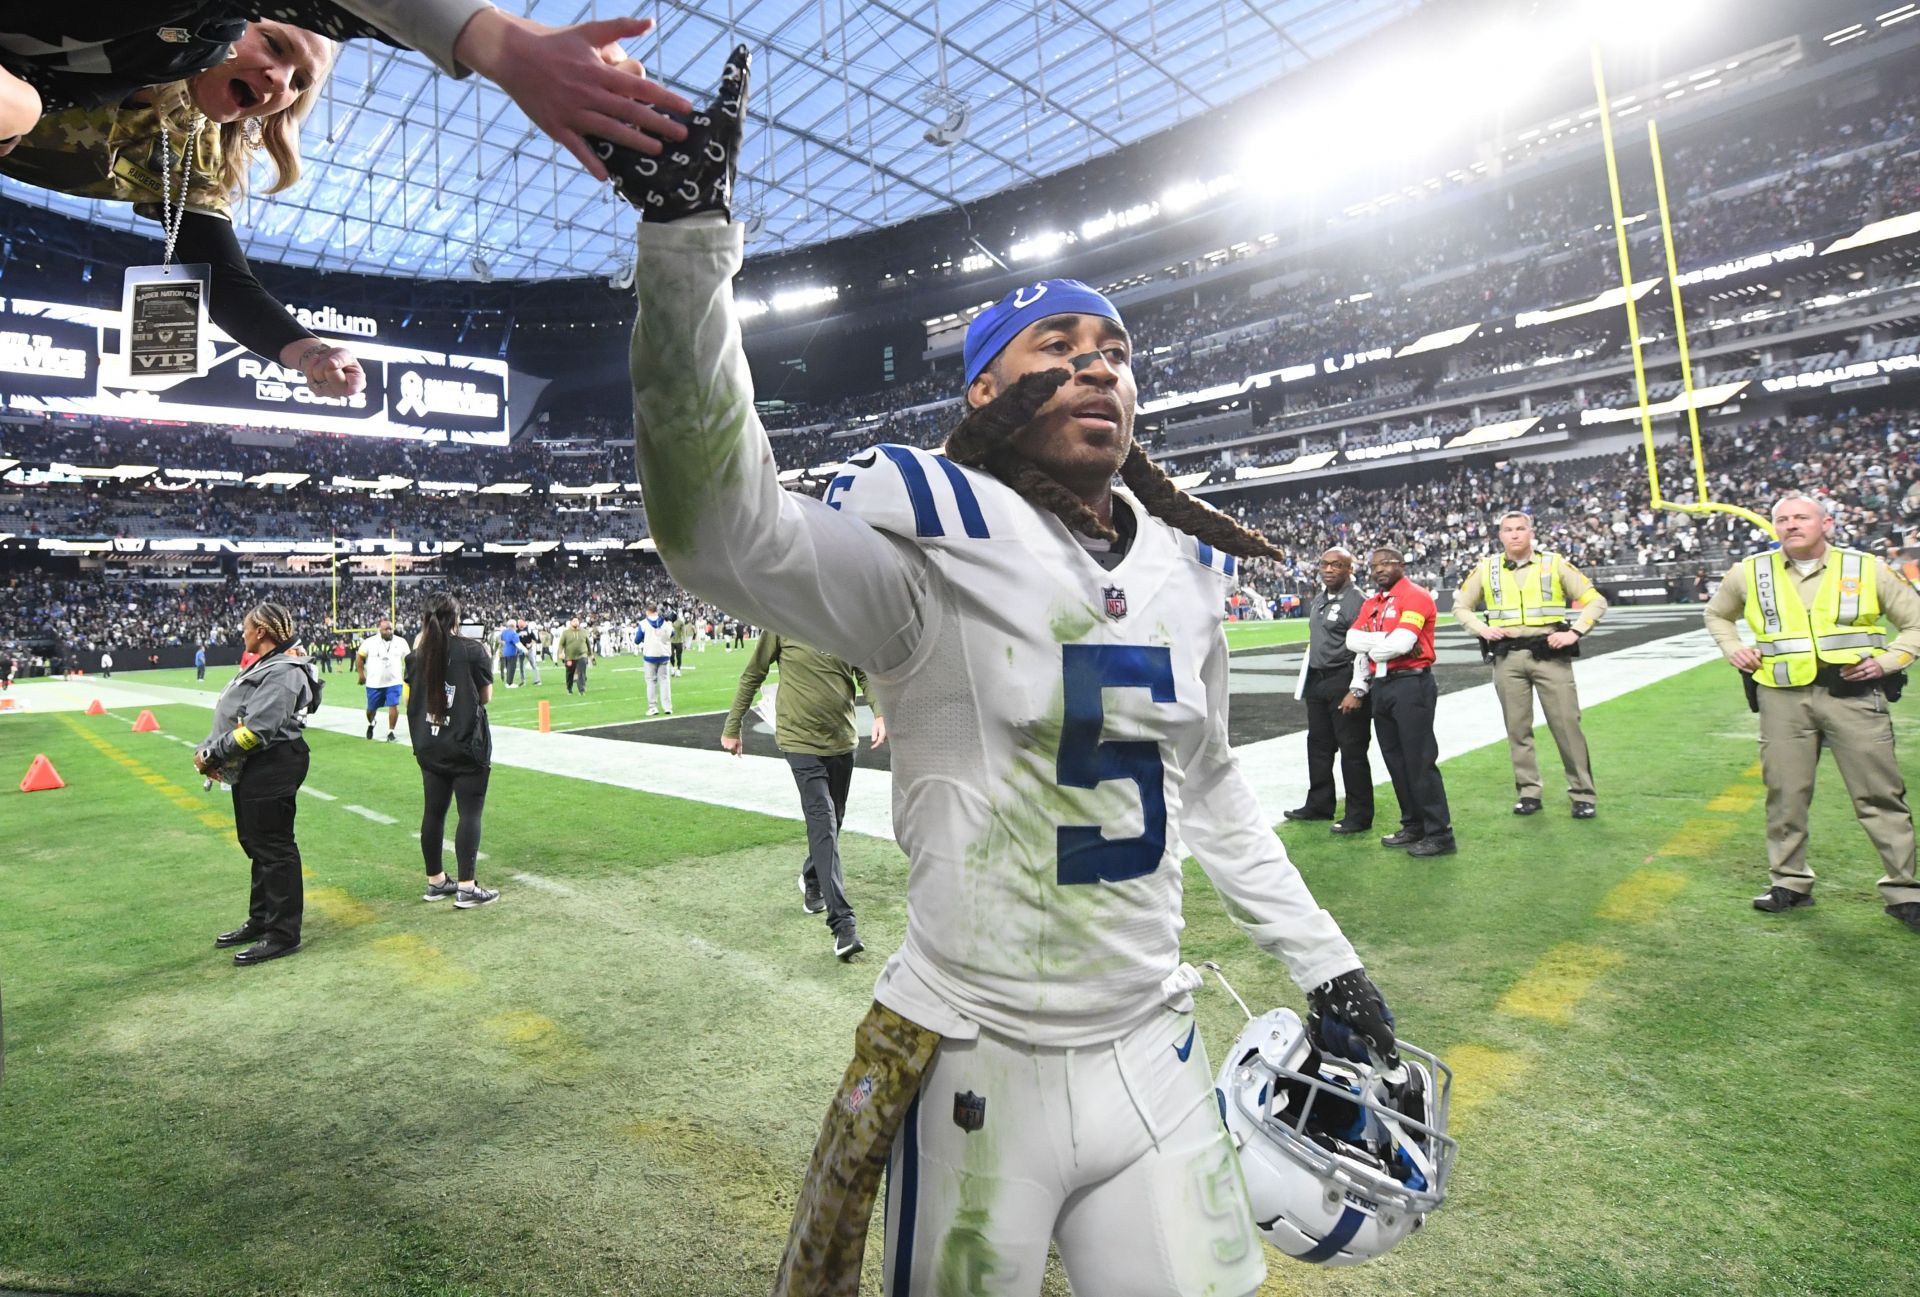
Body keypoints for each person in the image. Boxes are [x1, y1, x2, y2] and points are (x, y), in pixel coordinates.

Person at [620, 49, 1401, 1296]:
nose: (1101, 366)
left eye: (1118, 352)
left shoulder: (1183, 570)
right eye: (1061, 346)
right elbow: (716, 527)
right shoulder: (931, 544)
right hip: (978, 1056)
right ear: (983, 387)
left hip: (1154, 1044)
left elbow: (1214, 795)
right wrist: (686, 249)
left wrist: (1328, 961)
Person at [0, 5, 694, 181]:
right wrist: (504, 43)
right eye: (274, 46)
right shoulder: (204, 30)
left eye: (299, 85)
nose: (279, 83)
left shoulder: (147, 83)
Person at [1702, 493, 1920, 931]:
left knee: (1879, 793)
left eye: (1801, 517)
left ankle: (1905, 891)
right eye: (1782, 519)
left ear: (1828, 523)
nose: (1790, 525)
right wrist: (1733, 647)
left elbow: (1915, 622)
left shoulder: (1867, 567)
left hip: (1854, 695)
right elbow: (1717, 614)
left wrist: (1890, 660)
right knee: (1785, 792)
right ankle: (1789, 882)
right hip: (1782, 698)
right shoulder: (1749, 571)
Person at [721, 631, 886, 959]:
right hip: (799, 741)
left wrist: (880, 711)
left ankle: (812, 877)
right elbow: (754, 672)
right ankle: (843, 925)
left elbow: (864, 671)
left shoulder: (846, 618)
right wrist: (732, 725)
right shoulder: (780, 618)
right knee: (823, 821)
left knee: (833, 821)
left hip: (842, 738)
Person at [1452, 510, 1609, 819]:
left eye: (1520, 528)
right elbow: (1461, 606)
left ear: (1530, 532)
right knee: (1517, 729)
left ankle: (1583, 793)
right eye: (1508, 529)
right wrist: (1481, 630)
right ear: (1500, 536)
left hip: (1549, 653)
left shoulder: (1555, 563)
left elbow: (1596, 601)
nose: (1514, 534)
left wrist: (1575, 632)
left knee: (1567, 725)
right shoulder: (1487, 568)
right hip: (1507, 658)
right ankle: (1528, 792)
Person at [194, 601, 318, 966]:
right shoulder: (269, 663)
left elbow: (258, 730)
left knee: (274, 846)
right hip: (256, 765)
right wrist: (215, 749)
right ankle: (263, 919)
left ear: (261, 632)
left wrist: (212, 755)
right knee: (256, 842)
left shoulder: (284, 670)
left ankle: (283, 934)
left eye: (246, 627)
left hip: (274, 762)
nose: (242, 632)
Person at [1348, 547, 1455, 857]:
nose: (1380, 569)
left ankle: (1440, 833)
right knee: (1395, 760)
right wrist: (1385, 642)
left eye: (1387, 563)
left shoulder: (1416, 596)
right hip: (1381, 685)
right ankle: (1413, 825)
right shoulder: (1372, 603)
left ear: (1402, 564)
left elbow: (1403, 643)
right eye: (1374, 566)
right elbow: (1352, 641)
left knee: (1419, 759)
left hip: (1412, 683)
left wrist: (1379, 643)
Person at [407, 593, 498, 908]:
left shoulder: (416, 655)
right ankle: (467, 886)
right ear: (456, 619)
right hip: (465, 743)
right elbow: (485, 697)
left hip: (429, 743)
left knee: (433, 812)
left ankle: (435, 882)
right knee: (469, 812)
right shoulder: (473, 650)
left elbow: (412, 699)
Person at [1284, 547, 1374, 834]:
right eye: (1324, 564)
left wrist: (1358, 689)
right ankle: (1320, 804)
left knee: (1352, 748)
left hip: (1344, 678)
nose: (1328, 569)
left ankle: (1358, 815)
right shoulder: (1321, 598)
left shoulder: (1358, 601)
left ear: (1350, 569)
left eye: (1337, 565)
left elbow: (1366, 648)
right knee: (1319, 745)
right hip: (1318, 680)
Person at [356, 617, 408, 741]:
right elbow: (359, 658)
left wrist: (408, 674)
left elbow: (409, 658)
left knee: (394, 705)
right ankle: (372, 722)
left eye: (391, 629)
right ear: (380, 630)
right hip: (374, 682)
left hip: (394, 681)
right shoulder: (369, 642)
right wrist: (361, 675)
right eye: (386, 629)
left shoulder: (401, 642)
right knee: (370, 709)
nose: (389, 631)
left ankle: (391, 732)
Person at [635, 602, 673, 715]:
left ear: (647, 611)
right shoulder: (665, 622)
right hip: (664, 654)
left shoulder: (643, 623)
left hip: (650, 655)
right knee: (665, 681)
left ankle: (653, 707)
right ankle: (667, 707)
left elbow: (637, 640)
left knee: (651, 681)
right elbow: (672, 634)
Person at [558, 616, 593, 695]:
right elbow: (561, 644)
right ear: (571, 623)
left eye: (577, 621)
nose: (576, 622)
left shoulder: (584, 632)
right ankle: (569, 688)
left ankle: (582, 690)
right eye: (574, 621)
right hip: (569, 657)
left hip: (582, 655)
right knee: (569, 673)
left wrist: (590, 654)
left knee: (581, 673)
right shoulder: (565, 633)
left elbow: (588, 644)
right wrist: (560, 653)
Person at [498, 620, 522, 688]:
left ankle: (508, 682)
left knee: (508, 668)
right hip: (512, 652)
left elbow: (501, 640)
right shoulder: (513, 633)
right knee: (512, 668)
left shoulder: (504, 632)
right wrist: (524, 650)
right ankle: (510, 683)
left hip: (505, 651)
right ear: (514, 626)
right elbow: (517, 643)